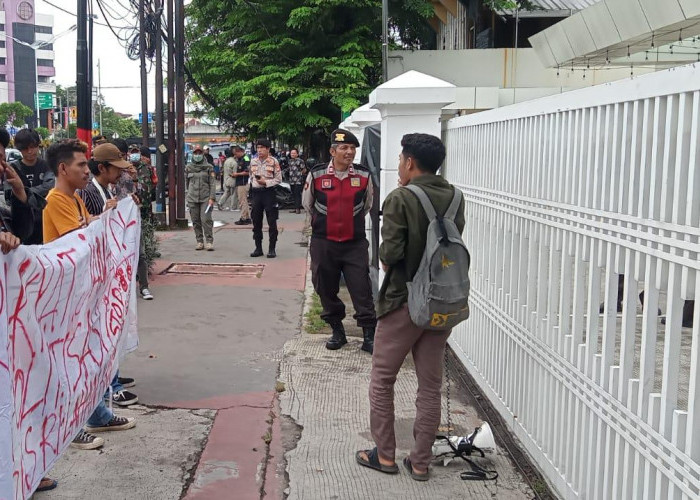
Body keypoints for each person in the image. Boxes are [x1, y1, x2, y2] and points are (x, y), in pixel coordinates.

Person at [356, 133, 465, 481]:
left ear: (410, 162)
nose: (400, 166)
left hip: (403, 302)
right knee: (430, 386)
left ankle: (385, 456)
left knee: (383, 379)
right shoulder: (455, 197)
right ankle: (420, 462)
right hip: (440, 302)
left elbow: (388, 256)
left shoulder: (401, 197)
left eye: (402, 160)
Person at [43, 139, 136, 449]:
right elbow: (77, 241)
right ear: (62, 168)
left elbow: (87, 229)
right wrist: (99, 221)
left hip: (82, 293)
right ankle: (69, 428)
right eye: (81, 165)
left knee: (90, 357)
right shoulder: (57, 200)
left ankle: (97, 414)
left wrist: (101, 217)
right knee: (70, 364)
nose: (87, 169)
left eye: (87, 164)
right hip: (64, 298)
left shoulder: (75, 200)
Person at [79, 143, 141, 409]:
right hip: (98, 271)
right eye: (115, 169)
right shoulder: (90, 192)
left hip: (111, 268)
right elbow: (86, 227)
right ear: (102, 168)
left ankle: (113, 376)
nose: (120, 174)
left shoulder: (110, 189)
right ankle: (109, 386)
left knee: (113, 323)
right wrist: (106, 214)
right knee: (103, 327)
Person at [302, 129, 376, 353]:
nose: (349, 152)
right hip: (324, 242)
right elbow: (308, 204)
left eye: (353, 148)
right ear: (332, 151)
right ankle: (337, 331)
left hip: (354, 243)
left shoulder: (363, 175)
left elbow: (367, 205)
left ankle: (369, 336)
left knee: (361, 288)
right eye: (344, 148)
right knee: (325, 287)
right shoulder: (317, 175)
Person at [4, 128, 55, 244]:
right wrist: (34, 196)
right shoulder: (13, 168)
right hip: (21, 224)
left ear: (38, 145)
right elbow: (9, 196)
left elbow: (49, 187)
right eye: (25, 148)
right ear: (19, 149)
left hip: (44, 221)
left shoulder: (47, 165)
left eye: (33, 147)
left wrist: (22, 193)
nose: (30, 151)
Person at [249, 138, 282, 258]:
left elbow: (278, 179)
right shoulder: (253, 161)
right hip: (256, 194)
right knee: (256, 221)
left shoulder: (274, 162)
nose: (259, 150)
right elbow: (250, 176)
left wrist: (266, 182)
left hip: (268, 193)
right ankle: (258, 248)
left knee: (271, 221)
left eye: (262, 148)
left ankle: (272, 248)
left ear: (268, 149)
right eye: (258, 148)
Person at [186, 144, 216, 250]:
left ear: (203, 154)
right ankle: (199, 241)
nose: (197, 155)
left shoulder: (209, 167)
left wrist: (212, 198)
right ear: (193, 154)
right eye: (195, 153)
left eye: (199, 153)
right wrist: (188, 195)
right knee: (195, 220)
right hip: (192, 198)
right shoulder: (189, 168)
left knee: (206, 220)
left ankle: (209, 241)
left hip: (205, 198)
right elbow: (187, 183)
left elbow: (212, 183)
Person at [232, 145, 251, 225]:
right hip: (240, 182)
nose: (235, 156)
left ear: (239, 152)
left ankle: (243, 218)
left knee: (242, 201)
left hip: (243, 183)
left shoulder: (246, 158)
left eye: (236, 154)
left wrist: (237, 174)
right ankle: (247, 218)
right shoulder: (240, 159)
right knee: (244, 201)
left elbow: (247, 171)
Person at [287, 148, 306, 214]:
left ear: (297, 154)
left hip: (298, 180)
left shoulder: (300, 161)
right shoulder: (289, 161)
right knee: (294, 194)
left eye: (294, 153)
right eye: (292, 153)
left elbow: (304, 170)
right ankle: (295, 208)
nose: (293, 154)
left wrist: (299, 174)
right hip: (291, 180)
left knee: (297, 194)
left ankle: (298, 209)